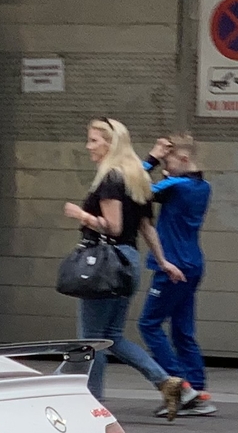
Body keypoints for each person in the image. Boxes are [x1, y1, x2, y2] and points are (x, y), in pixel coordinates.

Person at [62, 116, 188, 416]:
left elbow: (114, 226)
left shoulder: (110, 179)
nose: (88, 145)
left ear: (109, 144)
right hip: (127, 262)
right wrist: (162, 261)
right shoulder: (136, 178)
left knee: (91, 342)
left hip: (104, 262)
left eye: (93, 140)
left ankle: (92, 405)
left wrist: (81, 215)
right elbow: (145, 227)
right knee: (113, 336)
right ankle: (165, 381)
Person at [139, 133, 214, 415]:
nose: (165, 169)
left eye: (168, 162)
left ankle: (181, 387)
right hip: (193, 262)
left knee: (149, 324)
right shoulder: (203, 186)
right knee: (183, 330)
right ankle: (197, 388)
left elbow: (134, 188)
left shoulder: (177, 185)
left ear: (183, 159)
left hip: (171, 265)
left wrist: (152, 158)